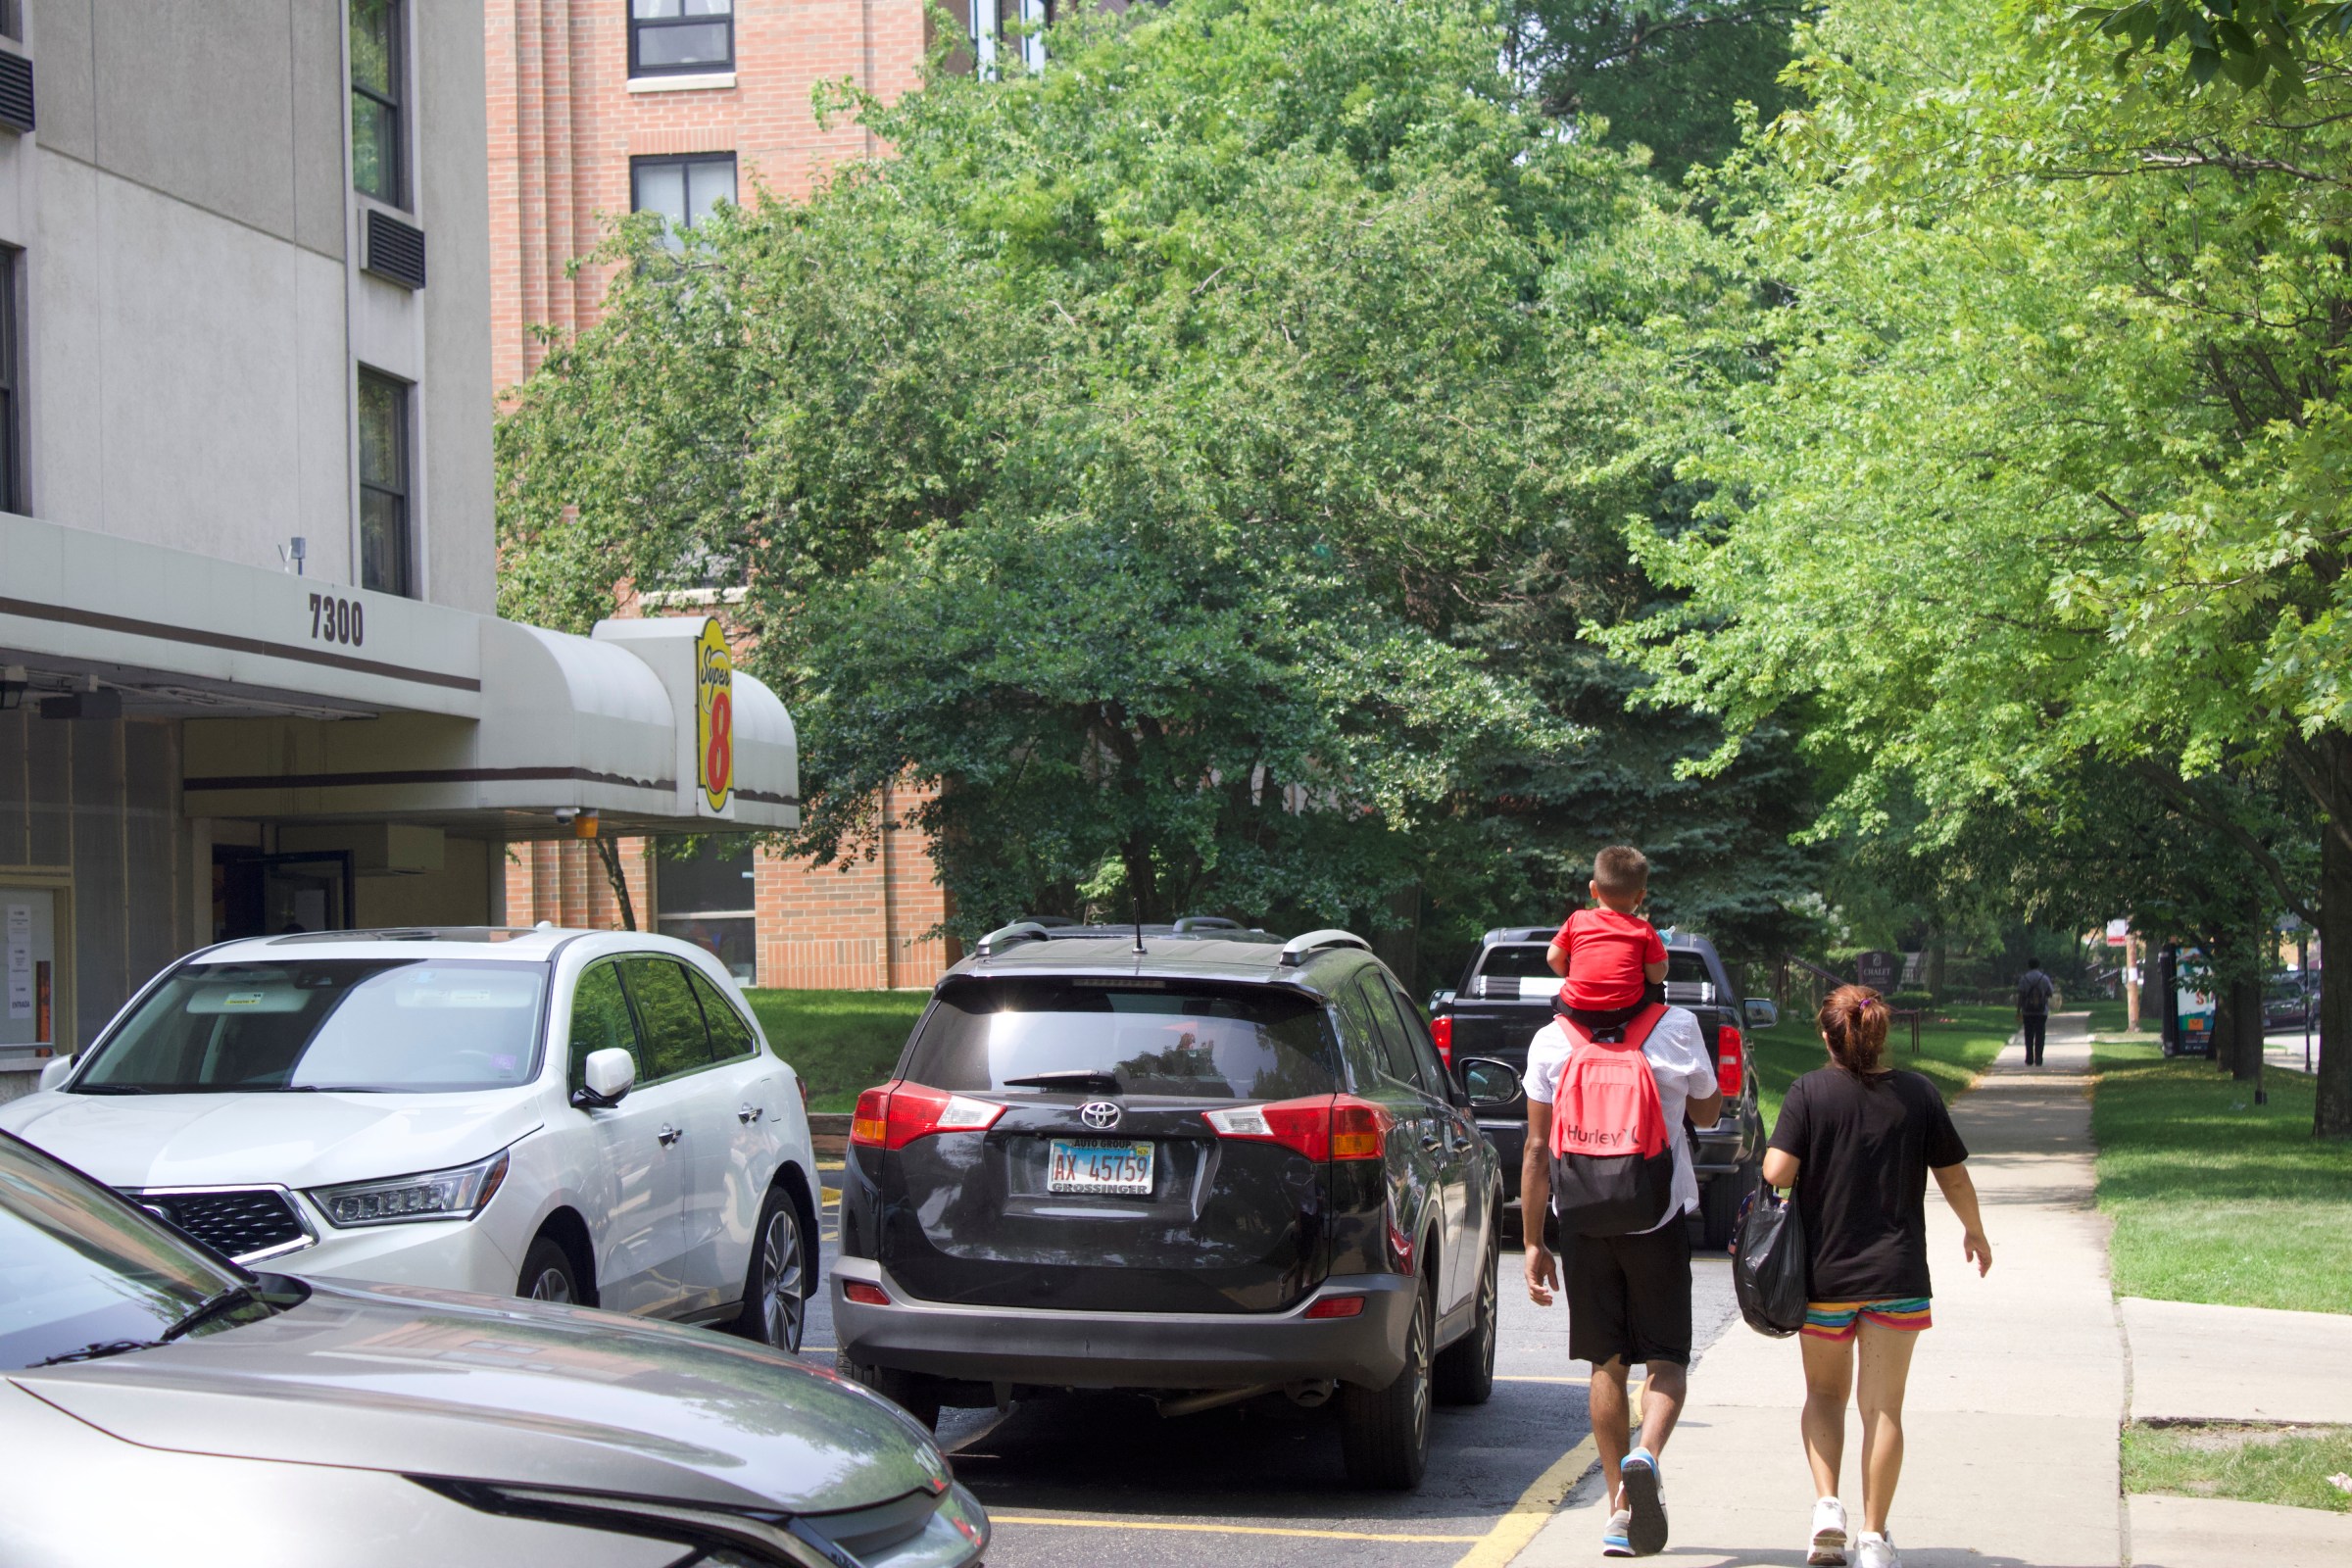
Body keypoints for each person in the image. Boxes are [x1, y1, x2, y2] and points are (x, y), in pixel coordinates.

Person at [1761, 986, 1993, 1568]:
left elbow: (1777, 1171)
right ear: (1881, 1033)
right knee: (1883, 1409)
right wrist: (1975, 1232)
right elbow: (1955, 1177)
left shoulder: (1808, 1093)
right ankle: (1872, 1537)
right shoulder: (1917, 1094)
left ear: (1826, 1036)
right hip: (1898, 1276)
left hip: (1824, 1278)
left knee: (1823, 1394)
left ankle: (1826, 1509)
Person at [1523, 991, 1722, 1557]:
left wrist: (1535, 1241)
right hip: (1657, 1215)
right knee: (1667, 1363)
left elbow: (1538, 1149)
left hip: (1583, 1221)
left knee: (1605, 1365)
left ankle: (1618, 1509)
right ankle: (1648, 1455)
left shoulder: (1551, 1041)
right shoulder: (1676, 1027)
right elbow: (1709, 1112)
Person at [1548, 845, 1671, 1033]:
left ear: (1593, 889)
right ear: (1641, 896)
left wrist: (1571, 974)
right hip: (1624, 1012)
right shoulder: (1644, 930)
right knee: (1658, 988)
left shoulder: (1577, 919)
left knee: (1560, 996)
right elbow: (1655, 977)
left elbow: (1552, 958)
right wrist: (1663, 955)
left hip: (1576, 1010)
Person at [2015, 958, 2055, 1067]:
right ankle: (2039, 1058)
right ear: (2038, 965)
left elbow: (2021, 996)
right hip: (2041, 1011)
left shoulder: (2024, 978)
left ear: (2029, 965)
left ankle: (2029, 1058)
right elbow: (2051, 993)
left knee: (2028, 1034)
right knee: (2040, 1034)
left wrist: (2018, 1010)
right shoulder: (2044, 978)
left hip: (2027, 1011)